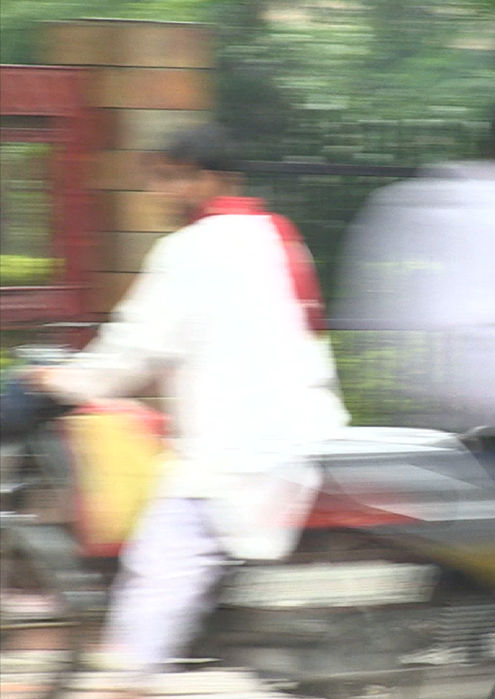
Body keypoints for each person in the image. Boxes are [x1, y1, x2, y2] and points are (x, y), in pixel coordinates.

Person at [30, 123, 349, 686]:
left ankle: (122, 683)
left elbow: (131, 354)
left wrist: (50, 384)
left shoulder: (189, 249)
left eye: (166, 179)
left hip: (238, 448)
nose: (157, 194)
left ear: (205, 180)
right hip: (300, 427)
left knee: (160, 563)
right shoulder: (276, 233)